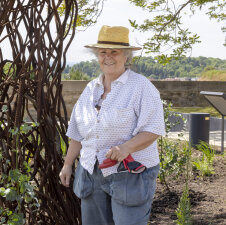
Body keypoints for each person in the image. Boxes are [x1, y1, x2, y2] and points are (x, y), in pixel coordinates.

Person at [59, 25, 165, 225]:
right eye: (102, 52)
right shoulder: (91, 88)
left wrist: (126, 148)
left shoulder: (141, 87)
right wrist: (67, 164)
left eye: (114, 52)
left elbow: (153, 128)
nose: (108, 57)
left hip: (130, 174)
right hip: (91, 171)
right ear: (97, 56)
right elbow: (77, 132)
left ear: (126, 56)